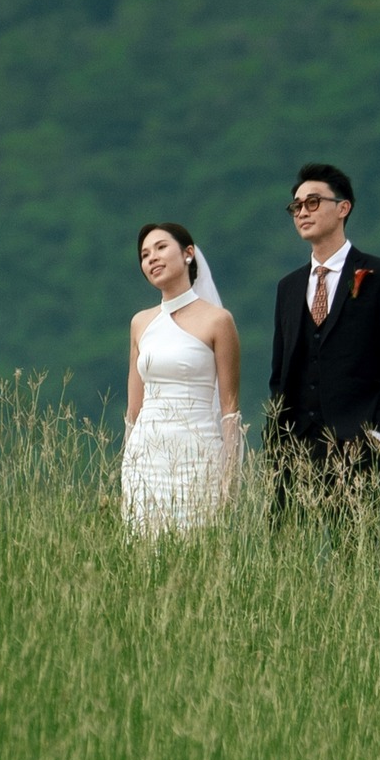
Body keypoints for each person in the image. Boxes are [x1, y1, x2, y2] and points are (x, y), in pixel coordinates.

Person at [266, 163, 380, 510]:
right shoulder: (288, 287)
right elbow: (281, 370)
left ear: (343, 208)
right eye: (297, 206)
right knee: (285, 554)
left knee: (350, 554)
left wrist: (379, 434)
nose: (302, 211)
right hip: (294, 445)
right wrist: (276, 438)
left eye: (313, 202)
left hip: (356, 443)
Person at [122, 222, 243, 532]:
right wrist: (129, 463)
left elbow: (229, 407)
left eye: (161, 248)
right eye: (145, 255)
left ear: (188, 254)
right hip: (146, 457)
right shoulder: (141, 323)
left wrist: (229, 476)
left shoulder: (218, 320)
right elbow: (133, 411)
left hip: (196, 454)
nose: (152, 258)